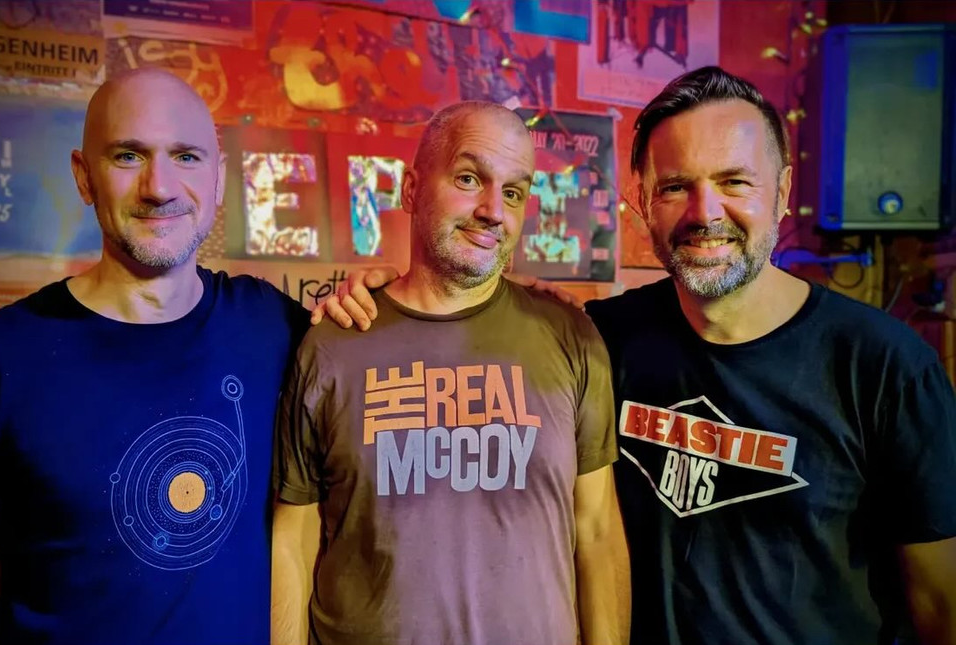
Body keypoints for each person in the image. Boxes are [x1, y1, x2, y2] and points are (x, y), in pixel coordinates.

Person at [321, 67, 956, 645]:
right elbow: (464, 313)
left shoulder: (887, 369)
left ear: (783, 190)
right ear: (644, 202)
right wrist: (383, 294)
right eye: (676, 186)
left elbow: (939, 605)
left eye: (734, 181)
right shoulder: (599, 337)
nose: (705, 212)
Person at [0, 68, 379, 645]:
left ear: (218, 179)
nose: (159, 187)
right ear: (84, 176)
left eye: (186, 157)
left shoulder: (278, 328)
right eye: (128, 156)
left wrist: (379, 300)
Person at [271, 101, 631, 645]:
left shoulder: (572, 337)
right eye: (469, 179)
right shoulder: (333, 342)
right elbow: (293, 539)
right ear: (411, 190)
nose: (493, 210)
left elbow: (598, 532)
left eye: (514, 193)